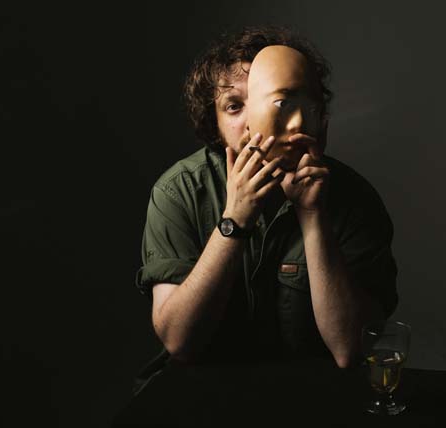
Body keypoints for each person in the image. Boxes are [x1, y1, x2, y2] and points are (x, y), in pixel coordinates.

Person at [135, 25, 398, 368]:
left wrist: (313, 217)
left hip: (311, 393)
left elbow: (350, 349)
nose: (253, 123)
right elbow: (178, 341)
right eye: (234, 106)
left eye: (278, 103)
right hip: (205, 393)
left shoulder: (354, 198)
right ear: (214, 124)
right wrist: (234, 221)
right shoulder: (179, 191)